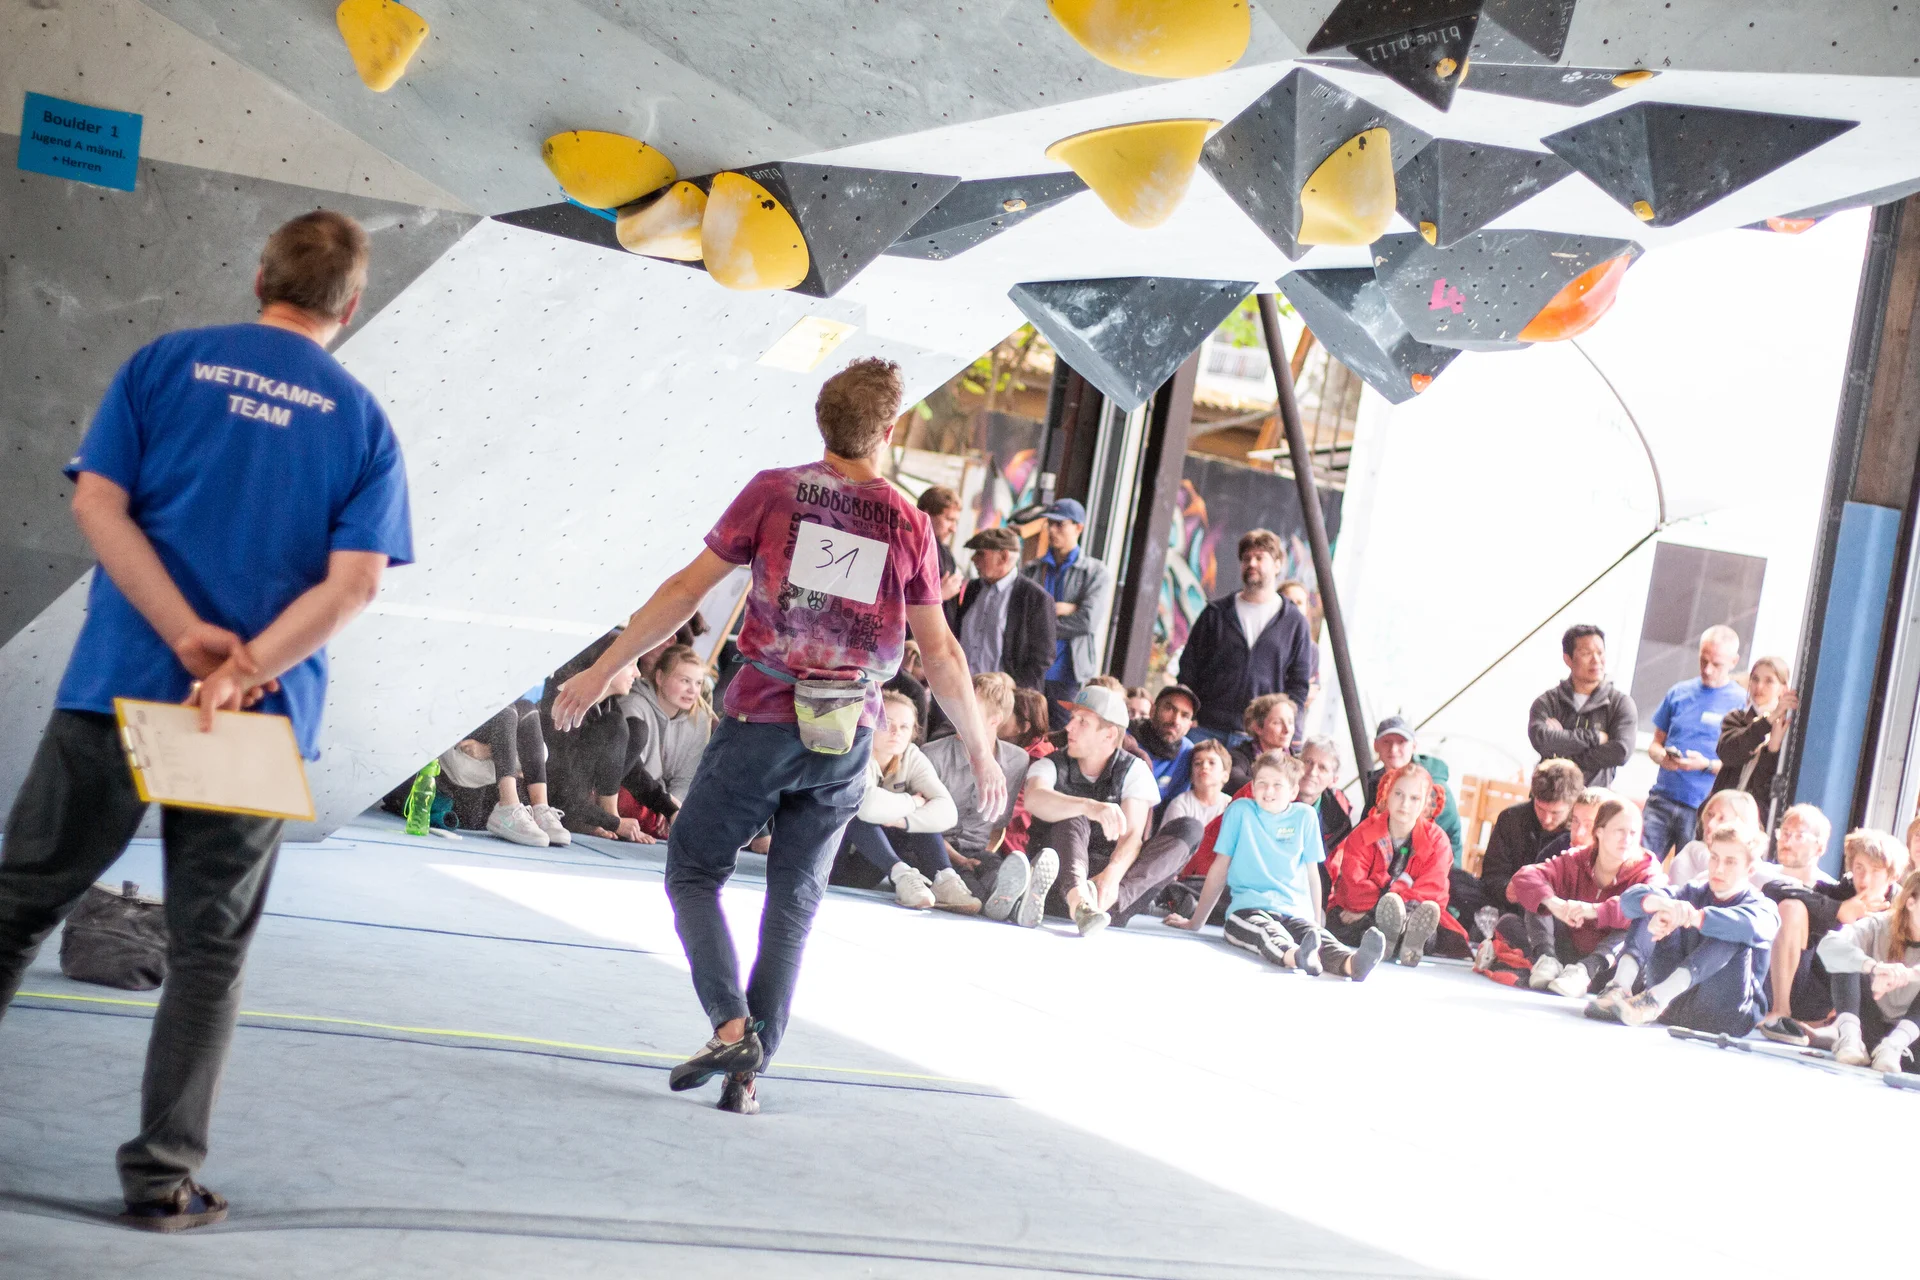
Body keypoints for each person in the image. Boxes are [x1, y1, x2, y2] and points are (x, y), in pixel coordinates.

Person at [0, 211, 411, 1230]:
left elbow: (99, 507)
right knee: (208, 950)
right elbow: (355, 584)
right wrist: (246, 668)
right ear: (349, 307)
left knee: (17, 909)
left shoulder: (164, 365)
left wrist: (186, 635)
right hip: (251, 721)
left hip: (119, 681)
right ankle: (160, 1176)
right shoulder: (360, 421)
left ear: (260, 272)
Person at [552, 357, 1005, 1117]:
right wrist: (984, 751)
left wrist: (605, 668)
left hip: (763, 716)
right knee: (794, 899)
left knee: (694, 869)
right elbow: (943, 655)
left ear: (822, 422)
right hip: (847, 733)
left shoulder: (775, 493)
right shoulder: (908, 521)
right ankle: (747, 1076)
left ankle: (731, 1024)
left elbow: (683, 592)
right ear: (888, 432)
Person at [991, 687, 1200, 935]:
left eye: (1082, 722)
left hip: (1109, 889)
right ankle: (1078, 901)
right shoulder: (1052, 763)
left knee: (1190, 828)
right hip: (1059, 878)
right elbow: (1034, 798)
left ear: (1109, 735)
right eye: (1072, 719)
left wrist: (1111, 878)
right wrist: (1089, 806)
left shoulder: (1134, 769)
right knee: (1072, 811)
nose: (1069, 728)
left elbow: (1132, 838)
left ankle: (1097, 906)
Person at [1167, 753, 1387, 981]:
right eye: (1261, 783)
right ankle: (1296, 956)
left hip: (1293, 911)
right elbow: (1219, 869)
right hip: (1248, 909)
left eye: (1277, 785)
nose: (1268, 791)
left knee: (1319, 937)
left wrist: (1313, 918)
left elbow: (1313, 874)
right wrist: (1195, 922)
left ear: (1293, 792)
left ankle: (1352, 963)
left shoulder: (1305, 816)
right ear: (1252, 786)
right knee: (1266, 933)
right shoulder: (1240, 811)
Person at [1588, 824, 1779, 1034]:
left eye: (1731, 862)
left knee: (1732, 929)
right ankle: (1618, 987)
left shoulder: (1763, 907)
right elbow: (1629, 901)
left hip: (1724, 1013)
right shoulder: (1692, 892)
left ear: (1749, 870)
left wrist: (1694, 917)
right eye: (1714, 857)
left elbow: (1751, 925)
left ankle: (1657, 998)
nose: (1719, 868)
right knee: (1655, 903)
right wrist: (1664, 908)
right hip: (1673, 1008)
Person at [1758, 821, 1906, 1045]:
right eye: (1859, 868)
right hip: (1812, 993)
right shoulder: (1839, 893)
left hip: (1870, 1005)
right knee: (1791, 907)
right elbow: (1773, 888)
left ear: (1891, 876)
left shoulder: (1905, 908)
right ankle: (1781, 1012)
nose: (1865, 879)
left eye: (1875, 872)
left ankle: (1841, 1031)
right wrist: (1838, 910)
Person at [1499, 797, 1664, 997]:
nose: (1627, 839)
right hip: (1567, 945)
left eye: (1633, 833)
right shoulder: (1577, 858)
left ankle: (1584, 971)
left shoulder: (1648, 869)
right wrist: (1555, 904)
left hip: (1608, 964)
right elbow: (1526, 876)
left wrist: (1594, 910)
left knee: (1638, 922)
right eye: (1620, 831)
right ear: (1599, 832)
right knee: (1534, 900)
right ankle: (1546, 959)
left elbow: (1649, 902)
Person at [839, 689, 976, 912]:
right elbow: (866, 806)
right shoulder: (854, 750)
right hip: (834, 865)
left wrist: (902, 821)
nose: (896, 732)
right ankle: (902, 875)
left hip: (872, 867)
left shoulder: (911, 755)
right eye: (887, 723)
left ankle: (944, 880)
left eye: (904, 727)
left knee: (924, 821)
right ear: (869, 723)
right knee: (852, 810)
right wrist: (912, 803)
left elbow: (948, 812)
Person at [1175, 529, 1312, 746]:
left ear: (1277, 565)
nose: (1252, 564)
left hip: (1259, 738)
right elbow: (1189, 667)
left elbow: (1298, 684)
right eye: (1246, 558)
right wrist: (1187, 712)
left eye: (1260, 558)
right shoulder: (1216, 613)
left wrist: (1283, 728)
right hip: (1206, 729)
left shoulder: (1294, 623)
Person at [1329, 764, 1452, 966]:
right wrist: (1392, 896)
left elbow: (1432, 892)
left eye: (1414, 798)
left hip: (1409, 912)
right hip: (1362, 911)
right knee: (1350, 923)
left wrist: (1390, 898)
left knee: (1424, 927)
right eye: (1399, 794)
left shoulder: (1438, 841)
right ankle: (1390, 936)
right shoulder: (1363, 832)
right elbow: (1354, 888)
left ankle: (1401, 936)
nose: (1405, 804)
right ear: (1387, 793)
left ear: (1426, 803)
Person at [1642, 625, 1747, 858]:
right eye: (1703, 660)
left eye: (1716, 664)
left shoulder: (1742, 704)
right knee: (1637, 867)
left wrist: (1706, 766)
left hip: (1704, 809)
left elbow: (1742, 767)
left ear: (1733, 661)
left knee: (1688, 877)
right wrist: (1662, 757)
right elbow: (1655, 744)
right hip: (1663, 799)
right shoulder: (1679, 693)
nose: (1707, 670)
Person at [923, 673, 1030, 900]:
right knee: (974, 889)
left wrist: (979, 858)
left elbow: (998, 824)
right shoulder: (933, 754)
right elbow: (922, 826)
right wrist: (961, 860)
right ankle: (996, 896)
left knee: (997, 872)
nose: (959, 715)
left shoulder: (1016, 760)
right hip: (932, 849)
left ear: (994, 720)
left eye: (970, 710)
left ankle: (1014, 896)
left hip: (978, 850)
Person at [1021, 498, 1114, 729]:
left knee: (1063, 736)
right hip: (1030, 669)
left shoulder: (1095, 573)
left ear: (1078, 528)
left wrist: (1043, 621)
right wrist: (1061, 610)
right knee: (1023, 732)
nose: (1052, 530)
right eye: (1050, 523)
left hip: (1068, 674)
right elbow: (1021, 618)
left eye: (1060, 524)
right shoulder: (1032, 569)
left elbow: (1087, 621)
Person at [1818, 868, 1920, 1071]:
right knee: (1847, 957)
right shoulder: (1878, 925)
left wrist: (1905, 974)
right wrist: (1875, 967)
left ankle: (1892, 1047)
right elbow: (1828, 945)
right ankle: (1849, 1038)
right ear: (1911, 902)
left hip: (1909, 1043)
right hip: (1868, 1027)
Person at [442, 694, 568, 846]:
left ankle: (540, 809)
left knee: (526, 707)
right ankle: (507, 806)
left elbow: (542, 753)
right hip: (458, 762)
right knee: (501, 706)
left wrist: (488, 751)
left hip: (490, 765)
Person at [949, 525, 1056, 692]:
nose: (974, 559)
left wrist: (1011, 689)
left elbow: (1043, 657)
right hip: (960, 688)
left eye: (980, 553)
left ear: (1003, 557)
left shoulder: (1034, 599)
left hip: (1001, 698)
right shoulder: (973, 588)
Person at [1527, 624, 1637, 787]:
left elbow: (1621, 751)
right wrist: (1595, 737)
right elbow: (1541, 739)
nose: (1596, 660)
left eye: (1600, 653)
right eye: (1586, 653)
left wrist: (1560, 756)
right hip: (1548, 796)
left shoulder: (1620, 703)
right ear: (1568, 659)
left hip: (1593, 801)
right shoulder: (1548, 701)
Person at [1475, 759, 1585, 911]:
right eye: (1540, 808)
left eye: (1555, 813)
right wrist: (1506, 890)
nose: (1546, 819)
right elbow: (1492, 874)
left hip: (1556, 913)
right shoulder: (1511, 818)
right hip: (1508, 906)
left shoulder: (1581, 832)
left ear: (1572, 805)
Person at [624, 642, 714, 811]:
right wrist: (664, 804)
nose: (693, 690)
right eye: (685, 681)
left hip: (666, 801)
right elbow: (633, 773)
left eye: (698, 683)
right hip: (635, 792)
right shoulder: (634, 705)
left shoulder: (700, 719)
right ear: (660, 678)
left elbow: (686, 778)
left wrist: (673, 804)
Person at [1361, 716, 1462, 864]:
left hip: (1432, 866)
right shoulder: (1378, 782)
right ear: (1376, 746)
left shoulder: (1434, 788)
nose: (1393, 749)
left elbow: (1433, 843)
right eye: (1387, 742)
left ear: (1414, 746)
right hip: (1390, 863)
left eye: (1401, 742)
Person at [1711, 655, 1797, 811]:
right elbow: (1728, 753)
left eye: (1769, 681)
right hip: (1722, 810)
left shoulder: (1787, 728)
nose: (1759, 687)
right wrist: (1767, 722)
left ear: (1783, 689)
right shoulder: (1736, 718)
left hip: (1757, 818)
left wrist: (1772, 750)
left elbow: (1769, 785)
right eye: (1755, 679)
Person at [1664, 788, 1761, 886]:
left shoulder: (1755, 868)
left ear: (1742, 825)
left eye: (1721, 818)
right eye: (1709, 815)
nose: (1710, 824)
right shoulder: (1692, 851)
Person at [1132, 683, 1199, 810]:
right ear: (1152, 711)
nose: (1176, 721)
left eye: (1184, 715)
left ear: (1190, 725)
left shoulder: (1187, 752)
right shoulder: (1126, 737)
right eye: (1170, 709)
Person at [1298, 736, 1354, 863]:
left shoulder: (1339, 823)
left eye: (1322, 768)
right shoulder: (1270, 796)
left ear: (1333, 780)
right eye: (1308, 762)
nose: (1312, 772)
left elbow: (1330, 872)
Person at [1227, 693, 1295, 793]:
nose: (1287, 730)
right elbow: (1234, 780)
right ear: (1257, 727)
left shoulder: (1297, 761)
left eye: (1290, 722)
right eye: (1277, 723)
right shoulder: (1239, 756)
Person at [1279, 579, 1321, 739]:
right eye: (1290, 601)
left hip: (1291, 734)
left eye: (1299, 602)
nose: (1294, 606)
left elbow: (1309, 694)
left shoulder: (1312, 650)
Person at [1163, 738, 1232, 831]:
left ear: (1225, 776)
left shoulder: (1230, 805)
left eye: (1212, 763)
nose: (1204, 766)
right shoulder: (1181, 804)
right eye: (1197, 763)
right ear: (1191, 775)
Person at [917, 484, 966, 603]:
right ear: (926, 515)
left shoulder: (946, 554)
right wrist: (939, 595)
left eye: (956, 522)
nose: (953, 529)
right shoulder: (905, 548)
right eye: (949, 519)